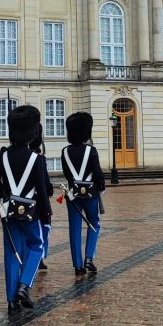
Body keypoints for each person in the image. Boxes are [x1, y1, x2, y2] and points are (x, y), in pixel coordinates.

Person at [0, 105, 50, 313]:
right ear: (32, 132)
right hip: (31, 212)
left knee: (11, 253)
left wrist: (5, 195)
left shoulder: (2, 157)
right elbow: (42, 190)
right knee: (36, 246)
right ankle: (24, 285)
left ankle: (11, 300)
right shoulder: (37, 159)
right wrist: (46, 214)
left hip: (10, 211)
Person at [61, 112, 106, 276]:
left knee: (74, 228)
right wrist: (100, 186)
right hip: (91, 194)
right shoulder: (91, 150)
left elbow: (67, 174)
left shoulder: (65, 151)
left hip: (72, 194)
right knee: (94, 223)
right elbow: (98, 173)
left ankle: (77, 265)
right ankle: (89, 258)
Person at [29, 122, 53, 271]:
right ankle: (39, 256)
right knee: (43, 230)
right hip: (37, 202)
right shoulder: (39, 158)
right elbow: (44, 183)